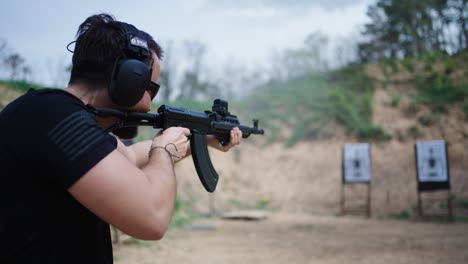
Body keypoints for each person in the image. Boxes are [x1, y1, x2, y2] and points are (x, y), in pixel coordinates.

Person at [0, 13, 242, 263]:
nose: (150, 104)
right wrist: (165, 152)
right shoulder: (53, 115)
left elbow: (129, 155)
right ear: (129, 78)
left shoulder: (52, 117)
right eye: (151, 88)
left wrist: (203, 139)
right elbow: (152, 218)